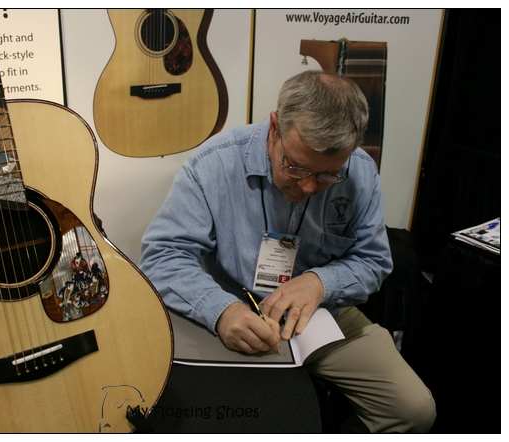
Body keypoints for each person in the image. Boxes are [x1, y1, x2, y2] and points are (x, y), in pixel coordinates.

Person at [139, 70, 436, 433]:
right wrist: (220, 310)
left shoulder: (360, 171)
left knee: (415, 410)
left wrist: (321, 283)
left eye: (327, 176)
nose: (308, 187)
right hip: (233, 309)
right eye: (295, 167)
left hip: (323, 315)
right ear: (275, 128)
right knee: (235, 418)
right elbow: (163, 256)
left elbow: (373, 261)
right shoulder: (213, 164)